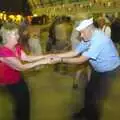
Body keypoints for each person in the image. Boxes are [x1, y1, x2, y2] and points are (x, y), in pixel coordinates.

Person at [50, 18, 120, 120]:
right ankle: (86, 112)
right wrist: (57, 56)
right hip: (98, 69)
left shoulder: (99, 40)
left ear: (89, 30)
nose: (80, 36)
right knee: (88, 91)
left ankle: (93, 117)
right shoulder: (88, 36)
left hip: (109, 71)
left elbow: (80, 59)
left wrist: (60, 59)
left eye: (82, 33)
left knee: (96, 99)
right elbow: (75, 52)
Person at [0, 22, 52, 120]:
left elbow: (27, 58)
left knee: (24, 102)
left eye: (17, 33)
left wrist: (45, 56)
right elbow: (21, 67)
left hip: (18, 78)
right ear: (7, 36)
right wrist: (43, 61)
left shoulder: (16, 47)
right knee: (22, 104)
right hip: (11, 83)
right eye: (15, 34)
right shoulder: (3, 52)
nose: (18, 36)